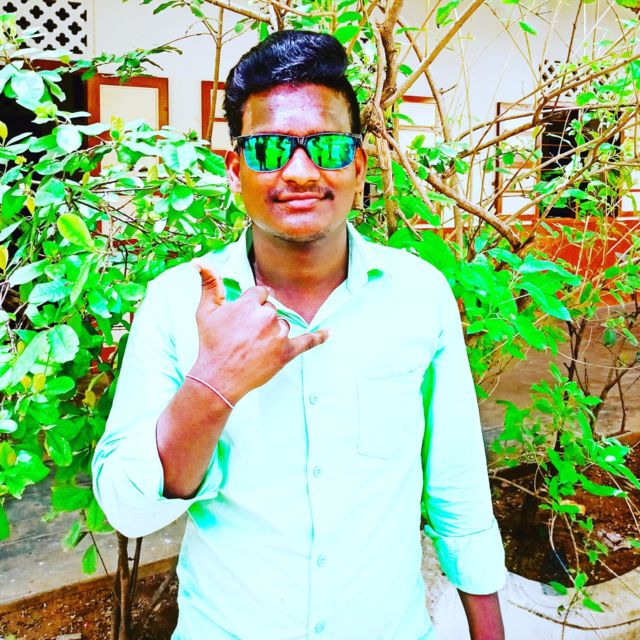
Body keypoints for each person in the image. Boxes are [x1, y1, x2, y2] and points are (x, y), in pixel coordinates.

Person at [93, 30, 507, 640]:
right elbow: (128, 508)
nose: (300, 172)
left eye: (328, 147)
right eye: (268, 149)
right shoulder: (177, 300)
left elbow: (459, 489)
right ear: (236, 168)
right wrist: (212, 384)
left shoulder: (419, 294)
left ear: (359, 164)